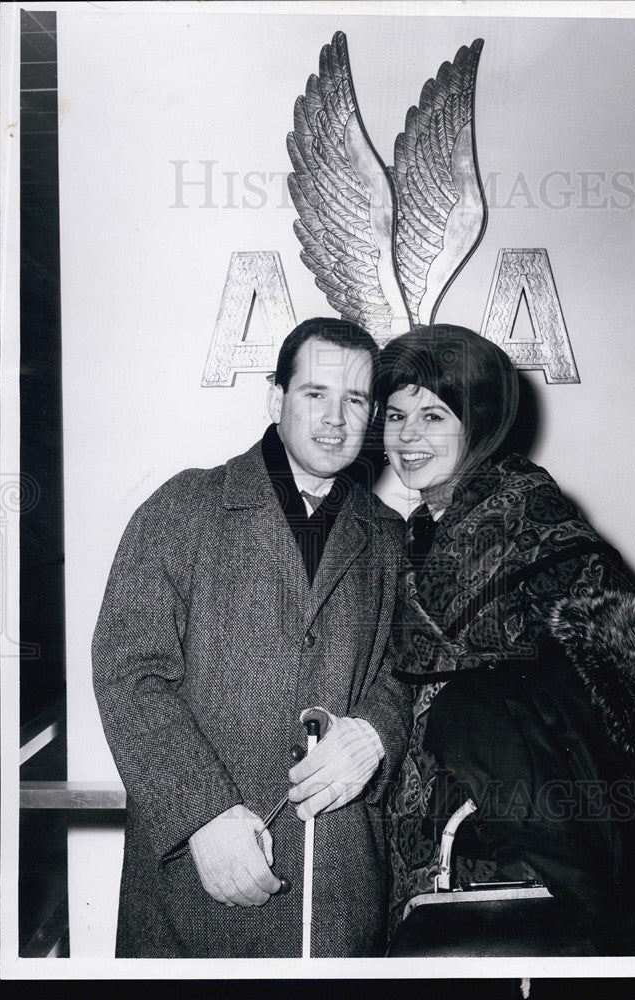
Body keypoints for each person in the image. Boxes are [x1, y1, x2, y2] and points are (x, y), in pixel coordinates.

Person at [376, 324, 635, 955]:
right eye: (395, 415)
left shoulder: (533, 518)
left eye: (433, 415)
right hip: (451, 868)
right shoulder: (415, 532)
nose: (408, 436)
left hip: (552, 871)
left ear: (482, 421)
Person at [92, 318, 411, 958]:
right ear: (276, 398)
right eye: (314, 394)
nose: (335, 419)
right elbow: (128, 673)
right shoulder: (182, 508)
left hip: (339, 888)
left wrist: (376, 734)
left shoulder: (390, 535)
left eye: (354, 401)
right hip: (197, 883)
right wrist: (201, 815)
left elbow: (408, 675)